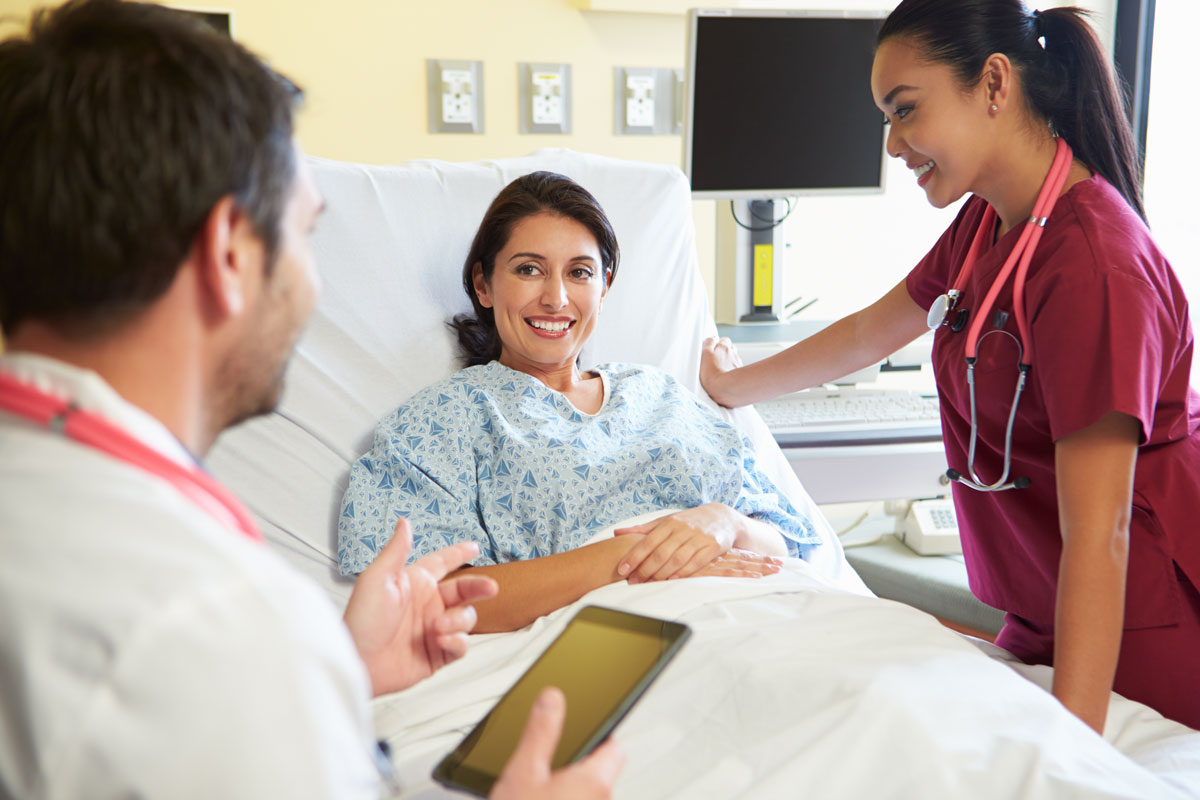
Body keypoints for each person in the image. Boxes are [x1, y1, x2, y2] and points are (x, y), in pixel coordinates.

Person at [0, 1, 622, 796]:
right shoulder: (217, 615)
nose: (314, 282)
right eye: (304, 233)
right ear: (230, 254)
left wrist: (339, 673)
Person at [701, 0, 1200, 733]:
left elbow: (1102, 534)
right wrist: (730, 384)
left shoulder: (1094, 265)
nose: (894, 143)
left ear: (994, 83)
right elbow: (869, 332)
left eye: (906, 110)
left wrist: (1074, 752)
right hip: (1041, 604)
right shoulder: (990, 220)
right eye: (886, 119)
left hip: (1140, 616)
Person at [339, 171, 824, 632]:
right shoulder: (443, 420)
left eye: (579, 272)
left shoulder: (660, 394)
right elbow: (430, 597)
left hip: (771, 607)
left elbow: (789, 540)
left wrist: (727, 522)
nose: (555, 298)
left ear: (604, 286)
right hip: (627, 631)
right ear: (483, 285)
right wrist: (626, 558)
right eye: (529, 269)